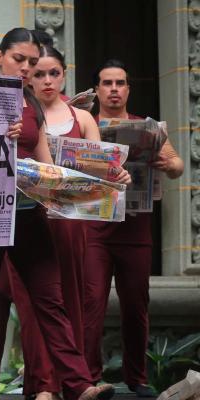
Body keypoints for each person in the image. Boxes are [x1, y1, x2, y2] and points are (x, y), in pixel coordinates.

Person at [0, 27, 118, 400]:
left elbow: (46, 164)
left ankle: (78, 385)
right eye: (19, 60)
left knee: (51, 298)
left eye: (32, 61)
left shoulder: (31, 103)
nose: (26, 68)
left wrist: (101, 181)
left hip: (28, 214)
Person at [83, 59, 184, 398]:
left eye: (120, 83)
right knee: (92, 303)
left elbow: (179, 166)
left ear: (128, 88)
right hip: (95, 229)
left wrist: (168, 164)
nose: (114, 89)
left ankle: (137, 378)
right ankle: (90, 379)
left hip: (135, 230)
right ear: (96, 89)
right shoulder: (87, 124)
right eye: (107, 83)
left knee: (136, 305)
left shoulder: (148, 128)